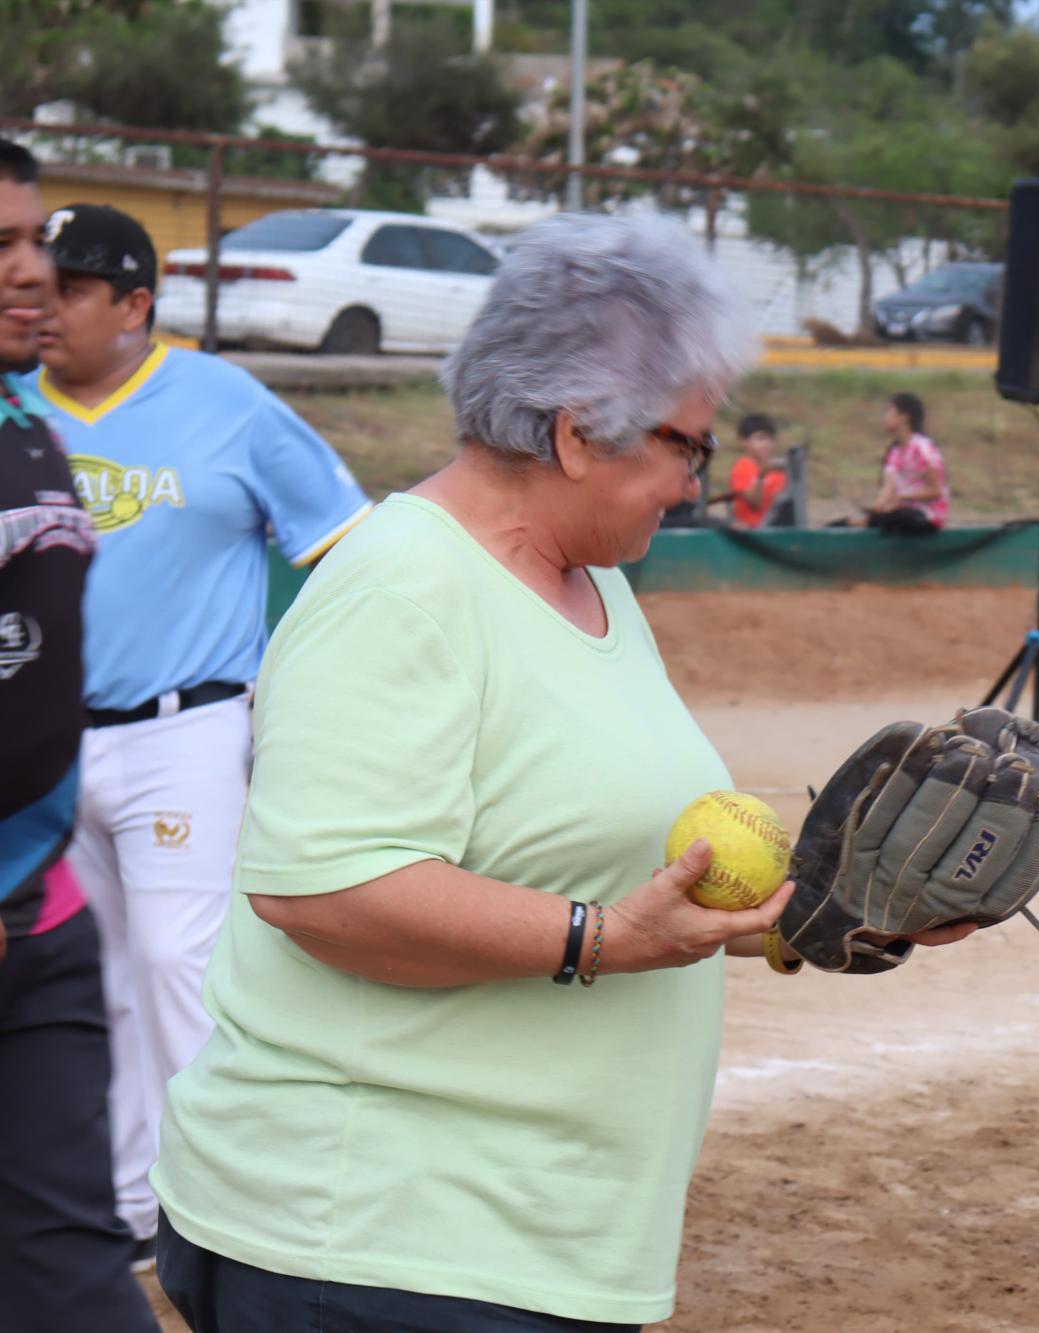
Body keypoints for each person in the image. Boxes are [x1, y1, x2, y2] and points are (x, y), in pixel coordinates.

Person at [149, 213, 969, 1331]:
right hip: (378, 1247)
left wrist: (825, 917)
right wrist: (599, 941)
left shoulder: (589, 580)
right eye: (684, 444)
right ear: (578, 433)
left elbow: (596, 856)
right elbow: (326, 890)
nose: (695, 480)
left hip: (518, 1239)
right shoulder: (404, 587)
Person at [33, 201, 373, 1257]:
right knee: (93, 976)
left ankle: (216, 1213)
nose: (41, 306)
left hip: (183, 730)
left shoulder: (226, 402)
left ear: (136, 303)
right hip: (41, 742)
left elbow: (344, 544)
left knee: (182, 962)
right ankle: (136, 1204)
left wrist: (310, 697)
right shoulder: (9, 405)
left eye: (71, 288)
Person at [0, 138, 157, 1332]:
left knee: (77, 1281)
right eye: (2, 248)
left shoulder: (28, 430)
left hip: (35, 926)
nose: (34, 275)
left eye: (35, 243)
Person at [865, 390, 948, 533]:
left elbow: (935, 491)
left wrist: (901, 497)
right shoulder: (895, 451)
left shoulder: (922, 449)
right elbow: (887, 488)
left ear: (904, 416)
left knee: (897, 517)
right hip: (902, 512)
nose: (884, 417)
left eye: (889, 411)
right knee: (865, 520)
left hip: (927, 516)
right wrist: (877, 507)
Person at [723, 412, 786, 529]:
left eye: (770, 439)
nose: (767, 444)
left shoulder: (777, 469)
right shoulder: (742, 467)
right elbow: (755, 503)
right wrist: (761, 476)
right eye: (760, 438)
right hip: (750, 529)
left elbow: (782, 504)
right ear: (744, 442)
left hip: (775, 527)